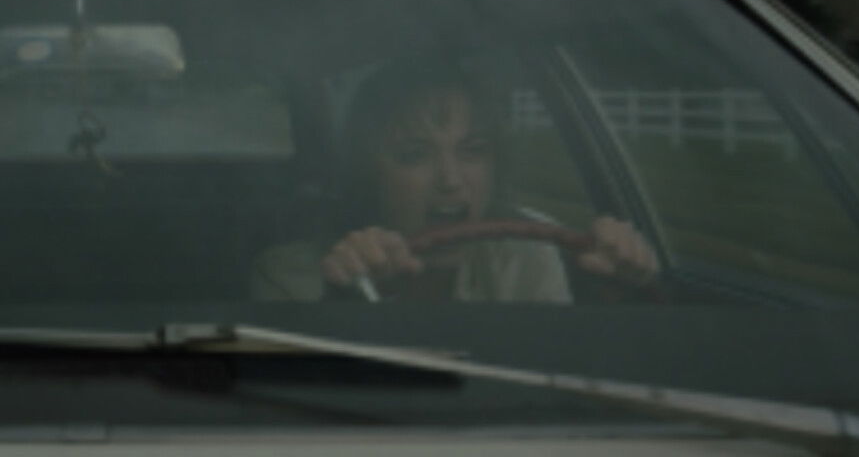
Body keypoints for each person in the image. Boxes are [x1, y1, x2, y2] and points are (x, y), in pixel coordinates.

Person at [252, 59, 658, 303]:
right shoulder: (291, 276)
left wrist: (622, 294)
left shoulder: (525, 258)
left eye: (473, 150)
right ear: (367, 173)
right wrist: (349, 301)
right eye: (414, 155)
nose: (451, 180)